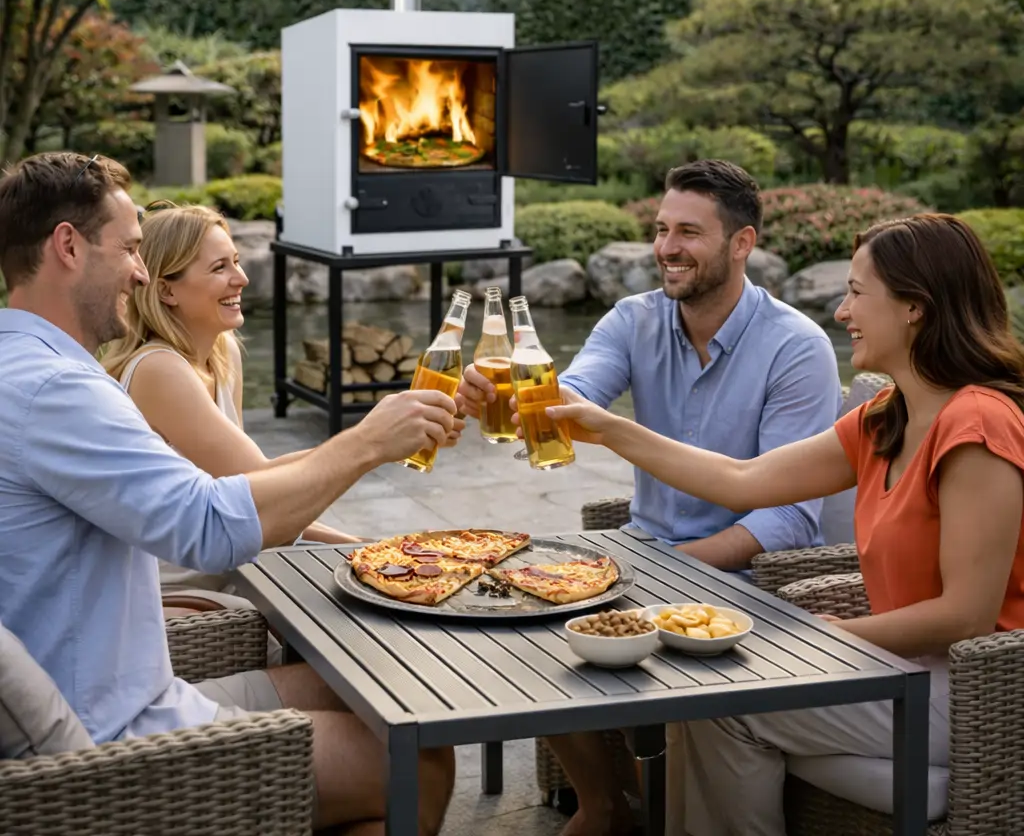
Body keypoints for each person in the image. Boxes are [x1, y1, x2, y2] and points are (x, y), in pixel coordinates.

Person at [0, 153, 458, 834]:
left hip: (130, 685)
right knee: (417, 760)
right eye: (128, 247)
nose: (138, 269)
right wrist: (366, 444)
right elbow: (212, 523)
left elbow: (216, 486)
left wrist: (378, 431)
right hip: (113, 738)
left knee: (389, 694)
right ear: (68, 246)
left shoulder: (31, 368)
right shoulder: (55, 391)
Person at [543, 213, 1024, 836]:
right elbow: (744, 479)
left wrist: (827, 637)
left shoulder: (979, 426)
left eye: (856, 292)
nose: (841, 311)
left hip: (977, 691)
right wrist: (609, 429)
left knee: (717, 705)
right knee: (714, 703)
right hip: (899, 668)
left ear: (915, 309)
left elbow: (967, 615)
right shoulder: (886, 416)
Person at [461, 159, 842, 571]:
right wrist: (514, 395)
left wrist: (660, 570)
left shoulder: (798, 348)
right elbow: (577, 393)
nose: (666, 248)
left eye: (688, 232)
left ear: (742, 244)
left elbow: (787, 518)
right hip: (644, 551)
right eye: (662, 229)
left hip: (750, 582)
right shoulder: (632, 319)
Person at [102, 203, 360, 613]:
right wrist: (377, 441)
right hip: (172, 599)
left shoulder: (222, 355)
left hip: (230, 568)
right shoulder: (157, 369)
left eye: (236, 262)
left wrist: (367, 549)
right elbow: (259, 488)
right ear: (167, 290)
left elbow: (255, 499)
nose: (240, 278)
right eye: (219, 267)